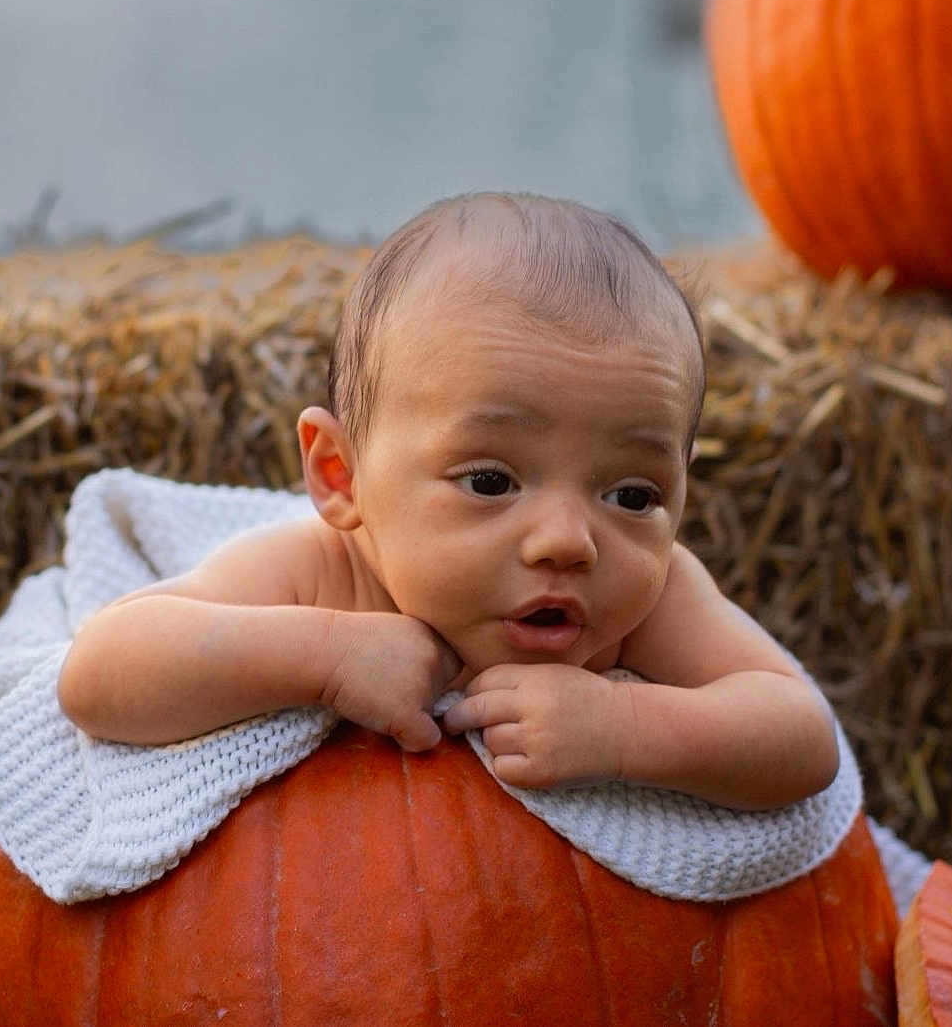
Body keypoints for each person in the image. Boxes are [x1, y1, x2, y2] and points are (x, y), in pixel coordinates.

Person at [57, 192, 839, 810]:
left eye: (632, 495)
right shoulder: (321, 574)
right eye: (491, 482)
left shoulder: (653, 603)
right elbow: (100, 672)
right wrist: (324, 656)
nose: (570, 541)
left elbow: (802, 738)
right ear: (341, 478)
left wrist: (626, 729)